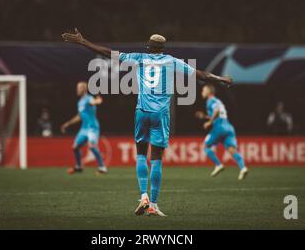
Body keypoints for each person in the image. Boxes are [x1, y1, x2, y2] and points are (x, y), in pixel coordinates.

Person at [61, 28, 232, 217]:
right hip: (160, 114)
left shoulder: (139, 58)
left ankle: (143, 196)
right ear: (163, 49)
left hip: (142, 112)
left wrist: (83, 41)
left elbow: (107, 53)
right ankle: (154, 205)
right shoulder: (172, 61)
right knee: (156, 158)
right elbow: (201, 75)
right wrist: (221, 79)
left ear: (148, 47)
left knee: (141, 154)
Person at [195, 84, 248, 180]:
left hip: (219, 128)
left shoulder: (210, 100)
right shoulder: (219, 101)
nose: (202, 92)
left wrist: (209, 122)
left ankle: (218, 165)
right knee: (232, 150)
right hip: (228, 127)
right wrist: (205, 116)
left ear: (209, 91)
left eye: (203, 90)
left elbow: (217, 111)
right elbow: (219, 113)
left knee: (206, 146)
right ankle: (243, 168)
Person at [61, 81, 107, 175]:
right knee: (75, 147)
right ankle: (79, 166)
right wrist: (68, 123)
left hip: (92, 127)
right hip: (84, 128)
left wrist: (98, 101)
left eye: (79, 88)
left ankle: (102, 167)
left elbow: (94, 102)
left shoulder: (88, 98)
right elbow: (79, 116)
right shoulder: (80, 102)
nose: (77, 89)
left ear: (84, 89)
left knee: (92, 146)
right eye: (77, 87)